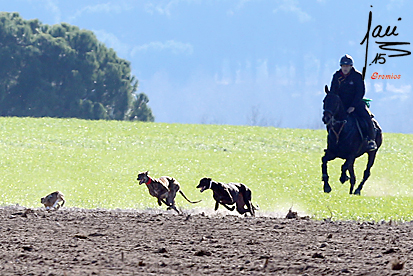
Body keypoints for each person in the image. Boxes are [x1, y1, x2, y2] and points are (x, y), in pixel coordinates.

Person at [330, 54, 377, 151]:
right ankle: (331, 141)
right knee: (330, 117)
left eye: (347, 66)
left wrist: (353, 106)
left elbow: (360, 92)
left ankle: (371, 140)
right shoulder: (336, 76)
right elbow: (333, 91)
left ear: (351, 67)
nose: (345, 68)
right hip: (341, 104)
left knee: (367, 117)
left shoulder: (357, 76)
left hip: (356, 103)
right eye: (343, 66)